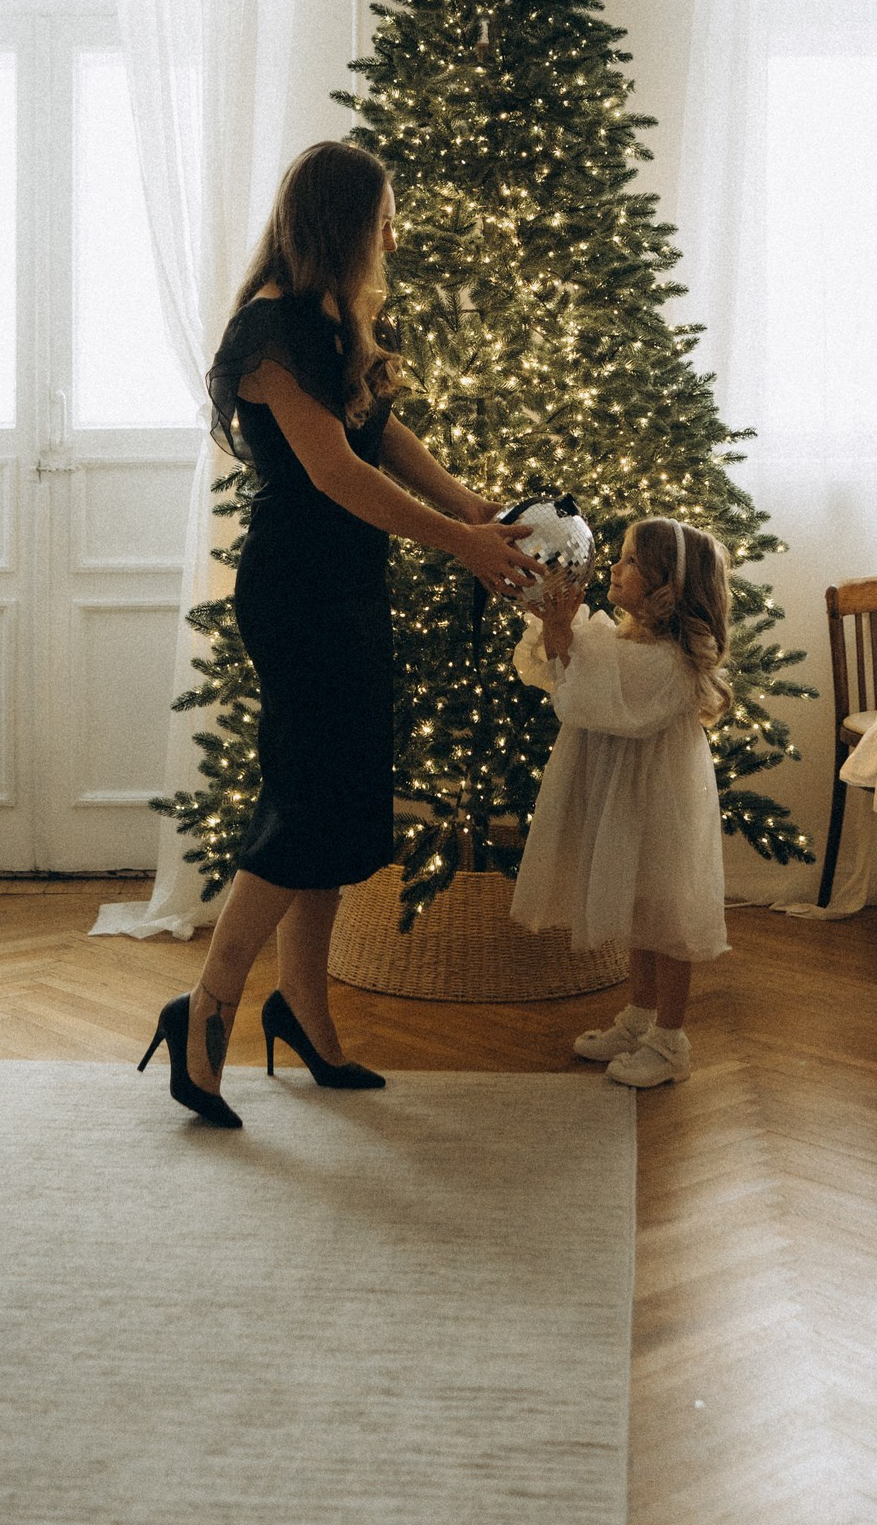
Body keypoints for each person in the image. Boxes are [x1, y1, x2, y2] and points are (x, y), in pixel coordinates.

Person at [138, 140, 536, 1128]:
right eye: (384, 216)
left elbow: (382, 437)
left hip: (349, 587)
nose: (394, 235)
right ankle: (207, 1011)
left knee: (340, 806)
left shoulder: (333, 322)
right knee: (306, 803)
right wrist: (462, 544)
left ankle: (304, 1013)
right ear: (342, 223)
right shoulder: (267, 331)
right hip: (298, 590)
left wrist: (474, 506)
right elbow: (335, 474)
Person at [508, 517, 732, 1090]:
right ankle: (639, 1018)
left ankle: (671, 1040)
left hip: (661, 798)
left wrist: (563, 632)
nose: (614, 567)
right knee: (640, 908)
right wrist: (558, 630)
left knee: (667, 913)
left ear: (668, 583)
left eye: (630, 561)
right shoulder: (627, 639)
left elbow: (586, 695)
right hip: (628, 794)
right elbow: (570, 673)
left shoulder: (671, 658)